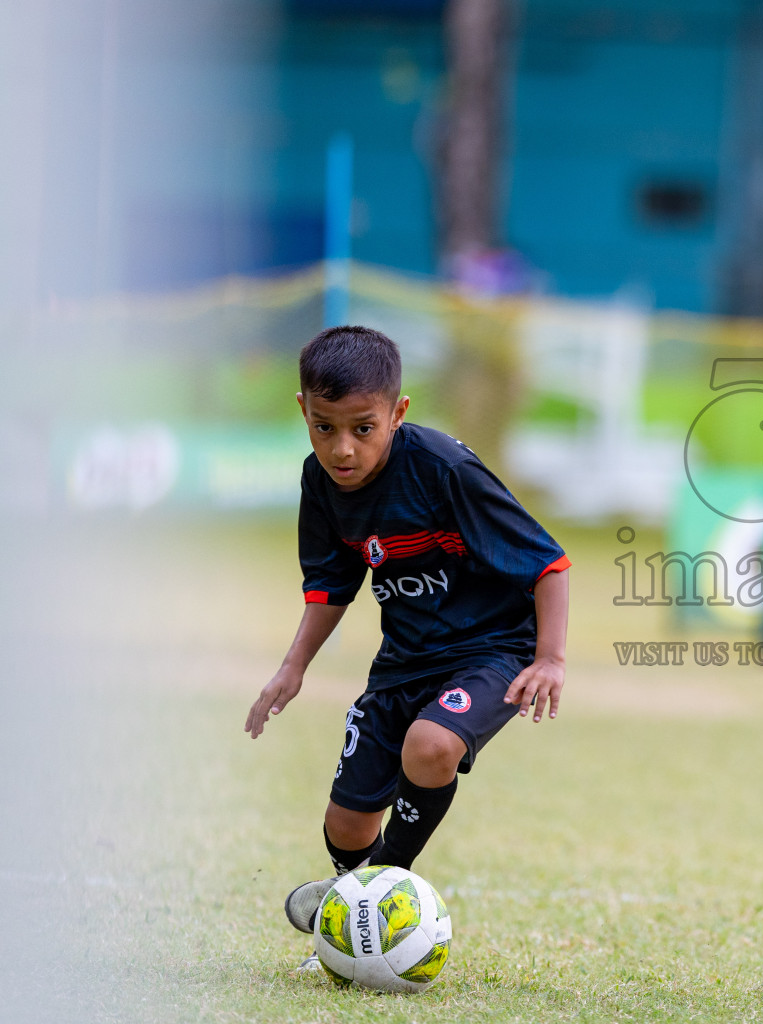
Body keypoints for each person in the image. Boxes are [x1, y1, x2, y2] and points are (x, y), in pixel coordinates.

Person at [243, 325, 570, 951]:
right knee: (344, 823)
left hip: (494, 649)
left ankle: (378, 892)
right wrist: (293, 668)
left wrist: (550, 659)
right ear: (304, 411)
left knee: (430, 746)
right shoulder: (319, 480)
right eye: (324, 427)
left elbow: (547, 562)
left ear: (397, 413)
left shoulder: (442, 468)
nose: (343, 449)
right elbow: (331, 584)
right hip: (403, 660)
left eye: (363, 428)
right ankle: (354, 922)